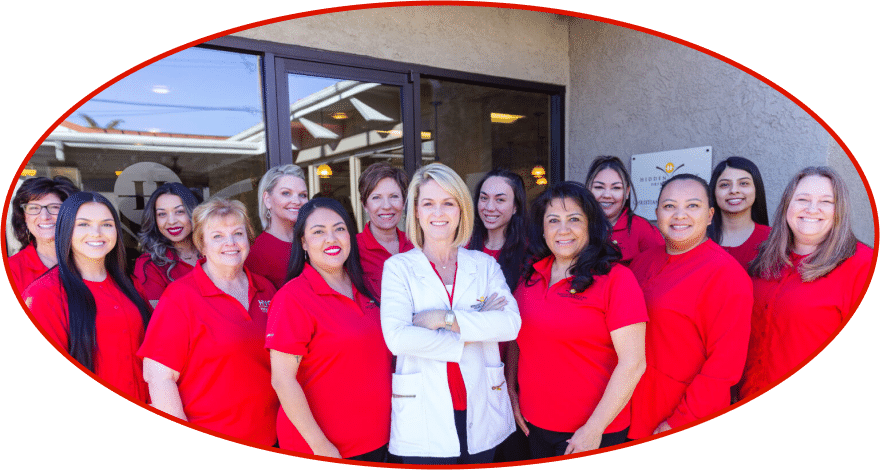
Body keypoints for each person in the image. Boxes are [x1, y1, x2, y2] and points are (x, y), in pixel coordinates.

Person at [380, 163, 521, 464]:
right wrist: (475, 327)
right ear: (416, 211)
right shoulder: (399, 268)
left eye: (448, 203)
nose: (438, 213)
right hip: (424, 416)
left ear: (461, 210)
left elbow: (510, 324)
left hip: (481, 407)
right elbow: (397, 338)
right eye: (428, 203)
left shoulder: (483, 265)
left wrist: (443, 320)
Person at [510, 181, 647, 457]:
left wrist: (593, 429)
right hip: (533, 425)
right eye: (553, 220)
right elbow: (516, 336)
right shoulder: (531, 277)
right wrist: (511, 390)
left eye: (574, 219)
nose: (563, 229)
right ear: (542, 228)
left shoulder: (616, 280)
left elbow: (633, 363)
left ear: (591, 225)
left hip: (591, 434)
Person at [138, 198, 279, 446]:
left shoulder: (266, 290)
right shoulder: (181, 297)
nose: (231, 243)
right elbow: (159, 378)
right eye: (217, 236)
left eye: (238, 233)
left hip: (272, 437)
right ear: (201, 244)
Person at [627, 174, 752, 439]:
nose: (679, 215)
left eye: (692, 206)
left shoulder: (725, 274)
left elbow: (724, 366)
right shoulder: (642, 262)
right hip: (627, 411)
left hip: (676, 419)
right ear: (657, 213)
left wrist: (679, 422)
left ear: (709, 216)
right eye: (670, 206)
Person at [266, 198, 390, 461]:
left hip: (380, 440)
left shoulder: (369, 287)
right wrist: (320, 446)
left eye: (339, 229)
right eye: (318, 231)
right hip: (324, 449)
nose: (331, 238)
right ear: (303, 243)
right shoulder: (293, 298)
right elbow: (283, 380)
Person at [738, 167, 872, 399]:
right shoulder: (764, 257)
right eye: (802, 199)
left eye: (826, 201)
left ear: (839, 210)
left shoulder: (862, 266)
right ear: (787, 206)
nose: (812, 209)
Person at [23, 192, 151, 402]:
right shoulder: (44, 294)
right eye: (83, 224)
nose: (96, 233)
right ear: (66, 230)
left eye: (107, 224)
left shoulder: (130, 283)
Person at [469, 169, 530, 462]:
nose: (489, 207)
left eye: (500, 199)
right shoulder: (464, 248)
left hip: (515, 370)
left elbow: (517, 323)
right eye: (484, 198)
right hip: (473, 367)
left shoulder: (531, 253)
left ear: (516, 206)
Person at [585, 156, 663, 265]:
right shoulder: (578, 226)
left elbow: (662, 271)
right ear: (588, 189)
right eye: (599, 187)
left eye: (616, 188)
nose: (607, 195)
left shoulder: (643, 229)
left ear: (627, 192)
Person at [134, 183, 202, 306]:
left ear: (194, 212)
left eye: (180, 211)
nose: (171, 221)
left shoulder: (215, 251)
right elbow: (159, 320)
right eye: (162, 214)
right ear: (154, 219)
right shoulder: (149, 264)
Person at [9, 176, 78, 292]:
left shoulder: (91, 260)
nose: (44, 217)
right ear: (24, 217)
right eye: (34, 208)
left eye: (55, 207)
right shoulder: (12, 270)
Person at [355, 162, 414, 300]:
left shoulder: (417, 245)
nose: (387, 206)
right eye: (376, 198)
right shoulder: (352, 248)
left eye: (394, 196)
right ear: (364, 204)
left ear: (404, 201)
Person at [245, 164, 308, 289]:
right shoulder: (256, 253)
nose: (296, 201)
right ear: (267, 199)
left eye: (302, 195)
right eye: (286, 193)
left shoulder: (313, 240)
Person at [708, 157, 771, 270]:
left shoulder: (773, 240)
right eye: (725, 185)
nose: (734, 190)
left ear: (756, 190)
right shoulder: (698, 239)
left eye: (743, 183)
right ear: (714, 192)